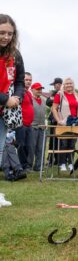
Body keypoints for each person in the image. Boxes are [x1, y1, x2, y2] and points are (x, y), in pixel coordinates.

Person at [0, 13, 25, 206]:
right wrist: (5, 99)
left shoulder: (15, 55)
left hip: (3, 113)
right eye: (2, 33)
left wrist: (17, 98)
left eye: (10, 33)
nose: (6, 37)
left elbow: (19, 81)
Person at [51, 78, 78, 171]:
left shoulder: (76, 95)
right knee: (63, 144)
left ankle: (71, 162)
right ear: (64, 85)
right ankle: (62, 163)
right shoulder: (59, 95)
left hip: (74, 123)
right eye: (67, 83)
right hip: (63, 123)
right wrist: (58, 120)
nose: (69, 85)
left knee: (72, 144)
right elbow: (54, 108)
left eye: (70, 83)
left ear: (73, 84)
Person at [15, 72, 34, 171]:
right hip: (21, 124)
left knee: (28, 146)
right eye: (26, 80)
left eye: (30, 80)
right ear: (22, 80)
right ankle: (21, 166)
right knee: (21, 145)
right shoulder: (19, 92)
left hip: (29, 124)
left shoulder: (29, 93)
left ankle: (26, 165)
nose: (28, 82)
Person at [46, 77, 63, 165]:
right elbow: (48, 102)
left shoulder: (64, 93)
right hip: (53, 120)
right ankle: (50, 159)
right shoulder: (53, 93)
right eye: (55, 85)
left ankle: (60, 159)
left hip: (62, 120)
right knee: (52, 141)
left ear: (60, 84)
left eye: (56, 84)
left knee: (62, 141)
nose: (55, 86)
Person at [31, 82, 46, 171]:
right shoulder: (30, 99)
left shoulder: (44, 100)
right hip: (32, 126)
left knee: (41, 148)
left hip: (42, 127)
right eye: (37, 89)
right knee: (31, 147)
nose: (39, 90)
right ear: (32, 90)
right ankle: (29, 166)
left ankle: (39, 166)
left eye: (40, 89)